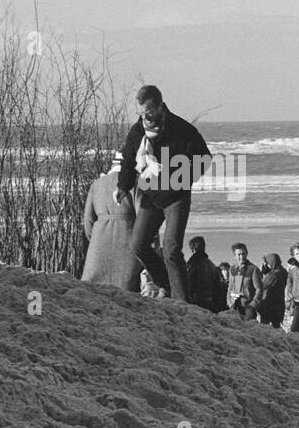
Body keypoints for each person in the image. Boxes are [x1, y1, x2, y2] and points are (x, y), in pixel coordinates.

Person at [116, 85, 211, 302]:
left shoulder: (181, 129)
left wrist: (181, 179)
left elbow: (204, 158)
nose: (145, 117)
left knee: (171, 249)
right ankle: (166, 284)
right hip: (152, 196)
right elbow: (128, 160)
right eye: (140, 113)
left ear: (160, 106)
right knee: (138, 244)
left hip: (176, 197)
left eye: (148, 112)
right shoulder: (138, 131)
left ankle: (182, 302)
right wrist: (123, 187)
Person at [80, 156, 140, 291]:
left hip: (99, 241)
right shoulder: (135, 183)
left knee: (93, 288)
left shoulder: (97, 184)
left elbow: (88, 220)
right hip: (128, 237)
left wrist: (94, 237)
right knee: (127, 287)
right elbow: (143, 217)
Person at [184, 236, 224, 313]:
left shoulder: (192, 264)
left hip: (196, 303)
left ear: (193, 249)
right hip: (211, 303)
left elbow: (188, 283)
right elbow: (218, 287)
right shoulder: (211, 265)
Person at [226, 243, 264, 321]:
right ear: (235, 256)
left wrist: (253, 305)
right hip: (234, 306)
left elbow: (259, 289)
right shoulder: (232, 269)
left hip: (248, 307)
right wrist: (229, 303)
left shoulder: (253, 269)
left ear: (247, 253)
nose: (242, 256)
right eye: (239, 254)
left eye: (243, 254)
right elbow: (230, 287)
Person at [259, 253, 288, 328]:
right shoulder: (284, 271)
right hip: (279, 305)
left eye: (267, 263)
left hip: (269, 305)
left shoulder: (273, 274)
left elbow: (262, 286)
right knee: (276, 326)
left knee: (264, 327)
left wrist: (262, 273)